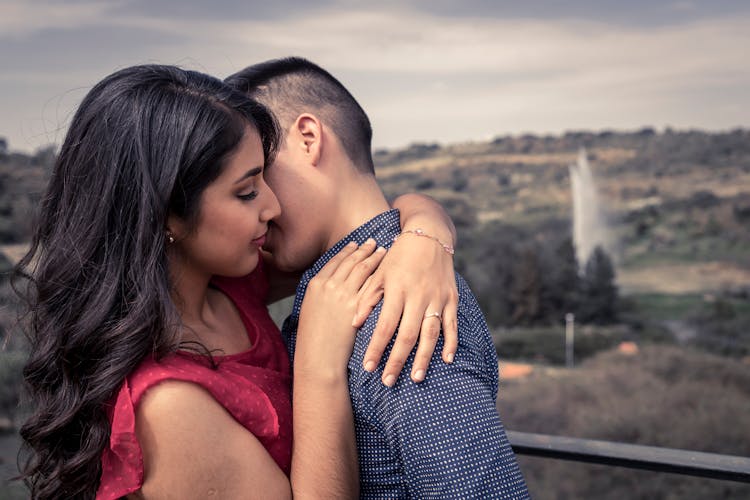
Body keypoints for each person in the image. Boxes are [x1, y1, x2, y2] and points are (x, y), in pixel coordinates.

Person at [15, 64, 460, 499]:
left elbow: (357, 232)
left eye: (266, 178)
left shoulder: (229, 285)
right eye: (246, 192)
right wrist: (318, 367)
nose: (272, 206)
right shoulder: (169, 407)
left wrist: (426, 236)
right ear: (165, 212)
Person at [226, 57, 531, 498]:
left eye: (258, 174)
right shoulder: (337, 283)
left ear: (308, 138)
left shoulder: (400, 316)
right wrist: (426, 216)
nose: (262, 207)